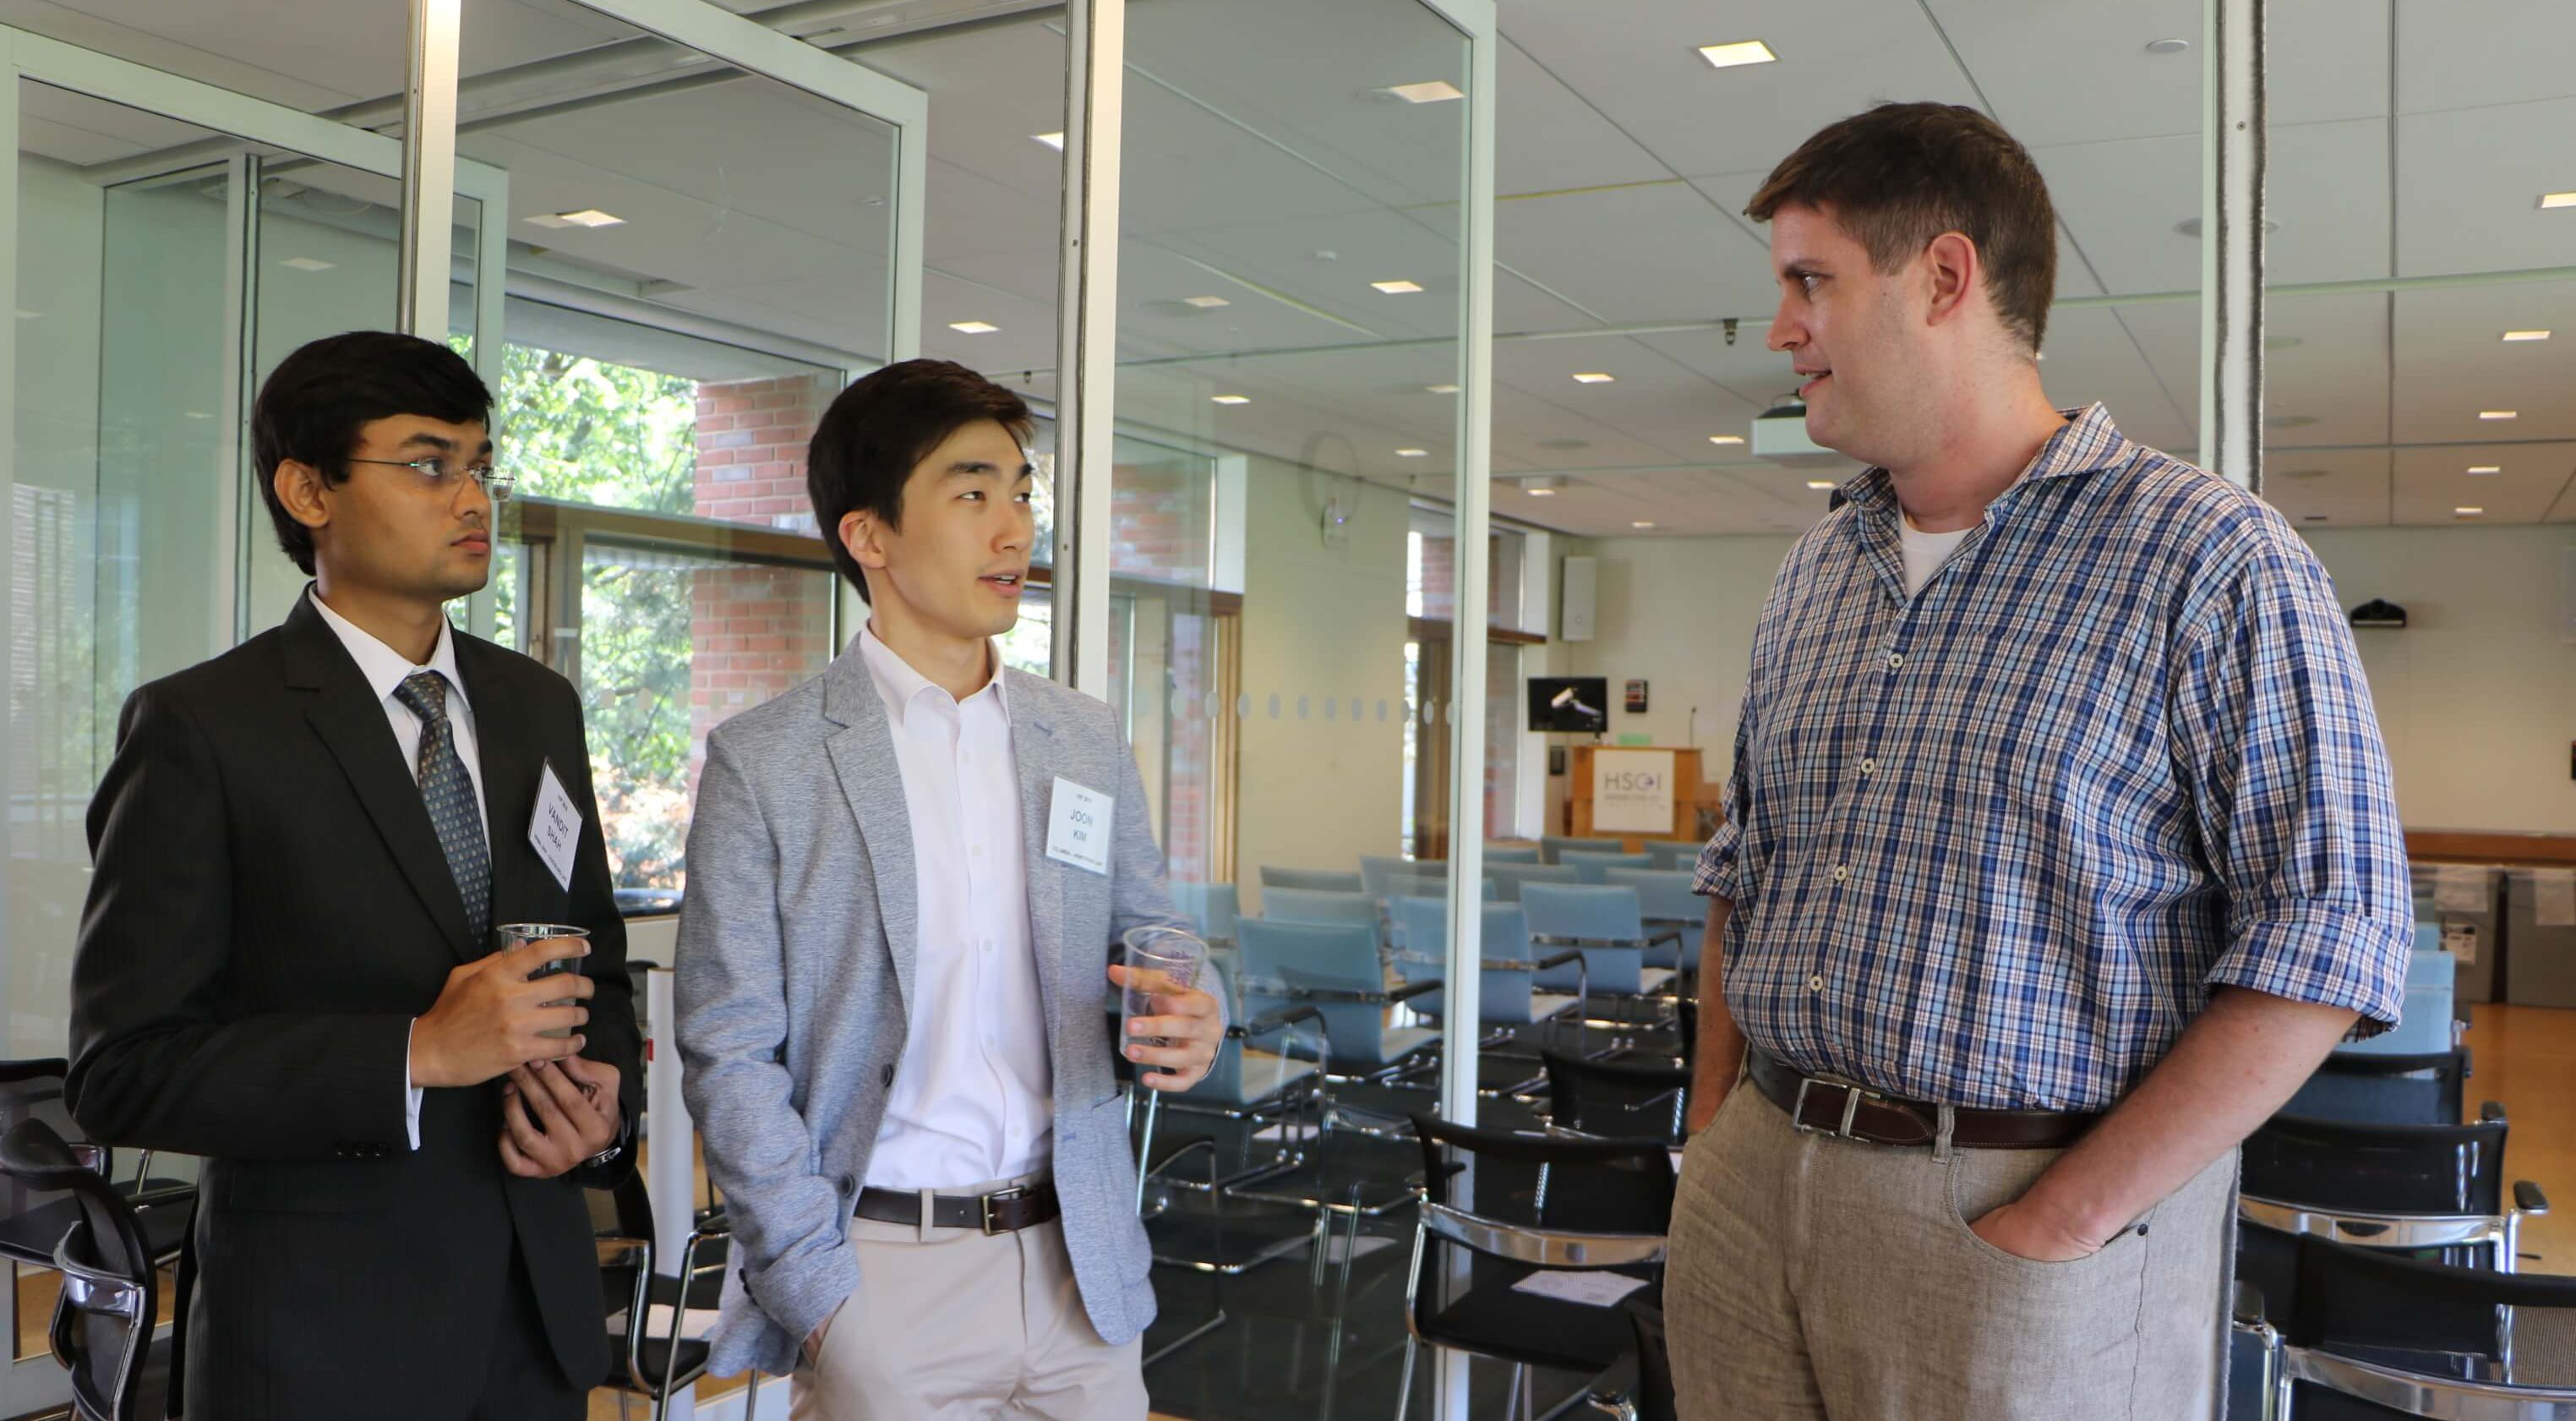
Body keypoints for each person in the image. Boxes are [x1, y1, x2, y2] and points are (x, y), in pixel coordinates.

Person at [1668, 102, 2411, 1421]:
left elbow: (2334, 935)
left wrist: (2067, 1216)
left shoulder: (2210, 559)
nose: (1781, 328)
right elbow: (1749, 867)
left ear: (1944, 278)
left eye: (1809, 281)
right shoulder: (1814, 572)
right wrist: (1714, 1127)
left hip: (2009, 1216)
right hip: (1753, 1189)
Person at [68, 331, 641, 1420]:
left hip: (535, 1319)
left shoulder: (536, 708)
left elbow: (592, 961)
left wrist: (604, 1108)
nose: (472, 495)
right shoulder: (204, 728)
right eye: (429, 464)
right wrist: (415, 1052)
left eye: (481, 464)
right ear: (307, 489)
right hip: (323, 1341)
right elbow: (123, 1069)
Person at [674, 358, 1224, 1420]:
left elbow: (1153, 928)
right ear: (867, 535)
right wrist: (823, 1295)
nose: (1014, 530)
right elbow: (730, 1046)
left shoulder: (1083, 736)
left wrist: (1195, 1007)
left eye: (1021, 493)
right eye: (972, 493)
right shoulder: (768, 760)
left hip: (1077, 1271)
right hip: (882, 1276)